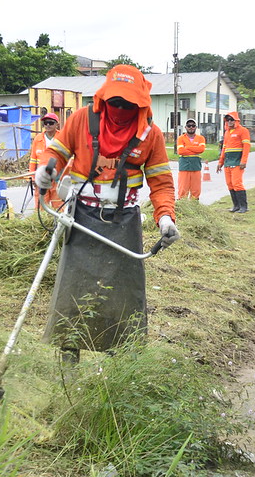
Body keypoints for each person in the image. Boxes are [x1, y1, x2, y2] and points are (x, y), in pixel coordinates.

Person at [34, 64, 179, 363]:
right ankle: (68, 359)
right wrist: (45, 170)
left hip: (124, 222)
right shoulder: (81, 120)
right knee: (73, 290)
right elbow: (57, 153)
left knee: (121, 297)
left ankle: (119, 363)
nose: (120, 108)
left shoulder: (150, 134)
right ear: (103, 99)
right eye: (115, 102)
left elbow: (161, 183)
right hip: (82, 217)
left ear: (140, 103)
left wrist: (165, 217)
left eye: (128, 104)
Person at [216, 112, 251, 212]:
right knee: (230, 184)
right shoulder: (227, 133)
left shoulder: (243, 131)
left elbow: (246, 146)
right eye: (228, 120)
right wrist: (220, 162)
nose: (230, 122)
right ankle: (236, 206)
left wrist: (243, 161)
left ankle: (244, 206)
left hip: (237, 161)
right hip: (227, 161)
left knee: (237, 183)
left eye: (231, 119)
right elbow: (224, 148)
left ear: (236, 120)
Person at [29, 112, 61, 208]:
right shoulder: (38, 139)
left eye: (51, 123)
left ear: (57, 124)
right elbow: (33, 160)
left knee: (59, 207)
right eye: (45, 123)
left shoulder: (62, 137)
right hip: (41, 177)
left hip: (57, 178)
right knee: (41, 207)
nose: (47, 125)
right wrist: (32, 177)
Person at [176, 118, 206, 199]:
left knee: (196, 190)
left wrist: (188, 147)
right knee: (183, 189)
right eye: (189, 126)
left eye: (193, 126)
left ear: (196, 127)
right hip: (184, 167)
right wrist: (195, 149)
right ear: (185, 127)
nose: (191, 127)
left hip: (196, 167)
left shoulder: (201, 138)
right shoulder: (181, 138)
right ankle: (182, 208)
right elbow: (181, 151)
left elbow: (201, 149)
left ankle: (194, 207)